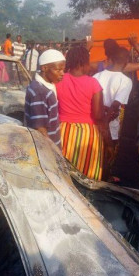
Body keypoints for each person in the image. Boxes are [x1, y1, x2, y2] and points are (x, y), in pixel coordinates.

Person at [56, 46, 105, 181]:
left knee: (64, 174)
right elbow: (98, 115)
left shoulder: (58, 80)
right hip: (87, 134)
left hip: (64, 131)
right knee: (87, 174)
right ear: (84, 63)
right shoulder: (93, 83)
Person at [93, 47, 133, 180]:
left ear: (112, 59)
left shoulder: (96, 76)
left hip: (94, 122)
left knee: (95, 153)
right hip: (110, 125)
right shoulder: (125, 81)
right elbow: (115, 105)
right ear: (126, 61)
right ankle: (105, 178)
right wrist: (105, 124)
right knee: (109, 153)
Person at [24, 49, 65, 147]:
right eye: (58, 70)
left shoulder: (45, 86)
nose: (62, 73)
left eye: (63, 70)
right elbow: (41, 130)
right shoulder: (40, 92)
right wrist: (53, 153)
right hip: (47, 150)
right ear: (44, 68)